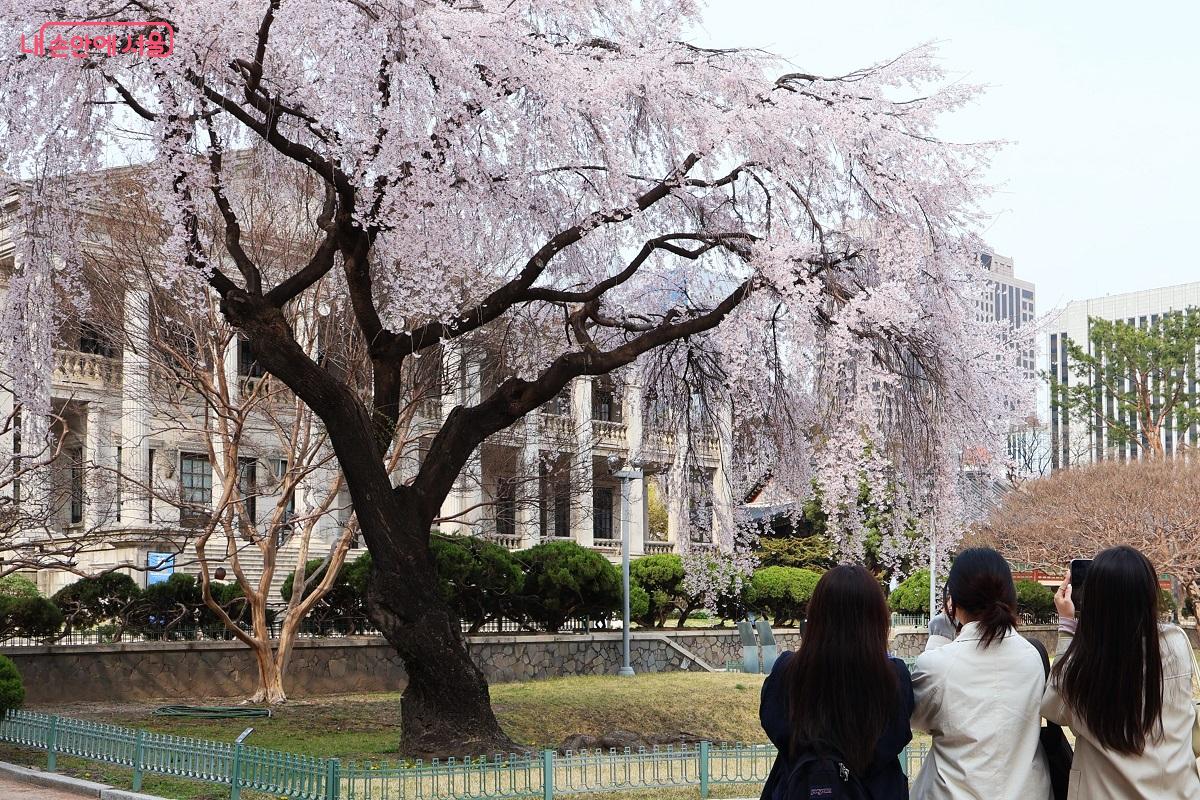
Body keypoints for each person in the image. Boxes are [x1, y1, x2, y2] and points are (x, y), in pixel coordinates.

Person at [1042, 545, 1200, 799]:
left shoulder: (1080, 665)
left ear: (1092, 601)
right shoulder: (1176, 644)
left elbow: (1054, 708)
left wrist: (1067, 627)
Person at [759, 564, 914, 800]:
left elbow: (774, 724)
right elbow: (897, 733)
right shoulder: (894, 676)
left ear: (815, 615)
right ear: (878, 618)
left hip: (803, 787)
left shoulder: (787, 672)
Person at [910, 547, 1053, 800]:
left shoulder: (937, 664)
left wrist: (939, 640)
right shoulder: (1032, 657)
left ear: (952, 601)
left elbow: (918, 720)